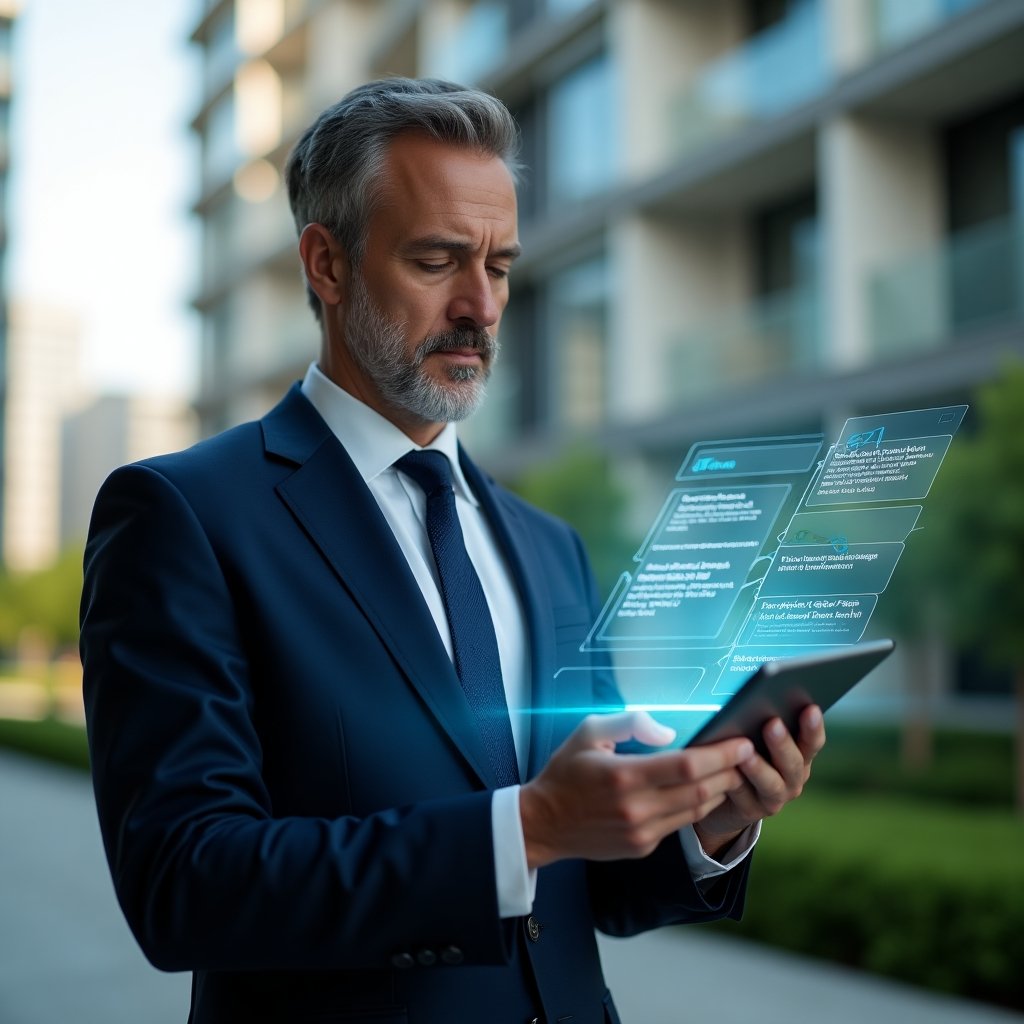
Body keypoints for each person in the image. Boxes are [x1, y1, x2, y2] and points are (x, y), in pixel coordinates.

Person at [80, 78, 825, 1024]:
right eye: (437, 260)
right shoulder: (182, 514)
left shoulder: (547, 548)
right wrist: (525, 825)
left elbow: (587, 889)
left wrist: (710, 820)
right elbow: (183, 885)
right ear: (328, 264)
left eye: (501, 266)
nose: (481, 306)